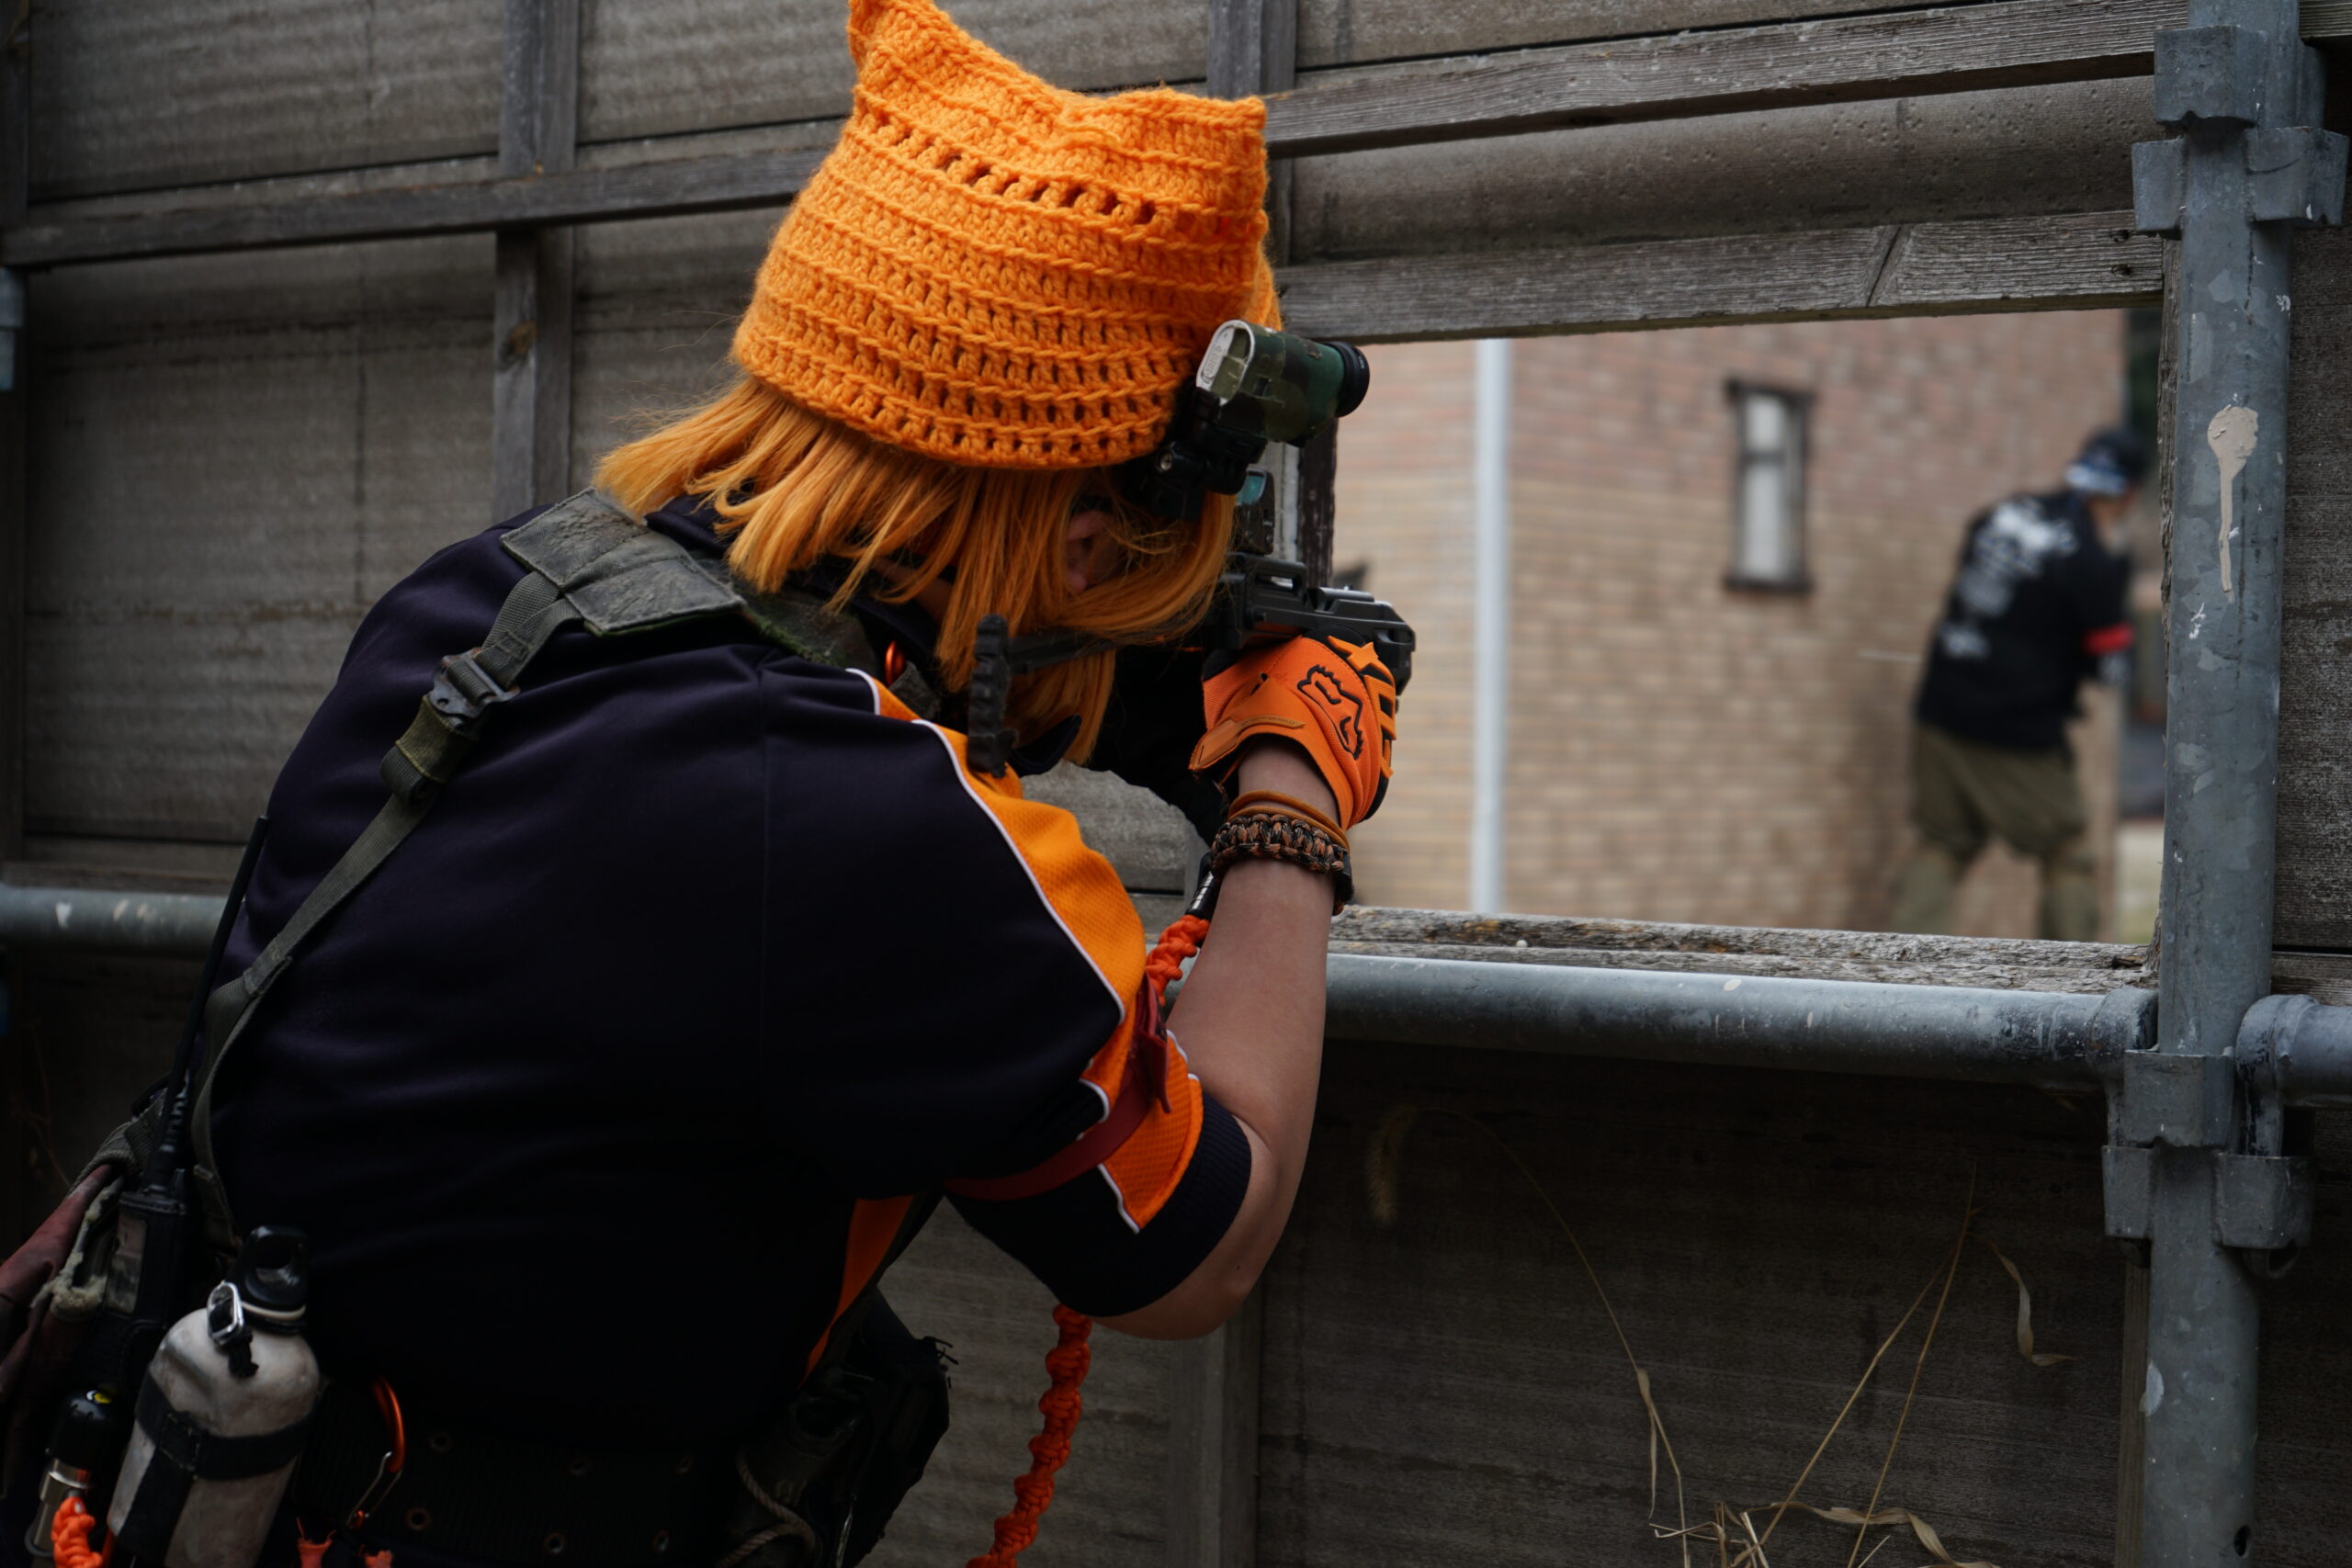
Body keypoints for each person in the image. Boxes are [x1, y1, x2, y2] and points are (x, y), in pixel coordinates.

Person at [164, 1, 1399, 1562]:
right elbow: (1196, 1242)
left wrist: (1077, 688)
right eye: (1137, 579)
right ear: (1083, 544)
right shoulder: (871, 822)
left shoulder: (496, 595)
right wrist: (1292, 789)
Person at [1890, 426, 2145, 942]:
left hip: (1939, 710)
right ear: (2128, 495)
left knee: (1942, 844)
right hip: (2016, 734)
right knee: (2067, 854)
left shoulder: (2003, 514)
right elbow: (2111, 670)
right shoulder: (2091, 563)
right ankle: (2071, 976)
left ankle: (1899, 970)